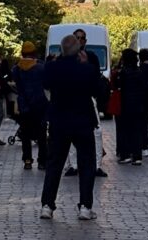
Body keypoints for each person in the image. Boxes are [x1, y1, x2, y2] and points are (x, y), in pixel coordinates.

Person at [39, 33, 102, 221]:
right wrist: (85, 67)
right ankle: (85, 206)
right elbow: (97, 91)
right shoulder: (88, 70)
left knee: (54, 164)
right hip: (83, 121)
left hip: (59, 122)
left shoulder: (52, 68)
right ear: (79, 50)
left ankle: (47, 205)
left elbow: (46, 84)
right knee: (87, 164)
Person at [65, 28, 107, 178]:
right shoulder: (67, 57)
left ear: (85, 41)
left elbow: (95, 78)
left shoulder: (91, 57)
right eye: (77, 38)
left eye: (82, 38)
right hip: (70, 99)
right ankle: (73, 165)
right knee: (71, 132)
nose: (79, 40)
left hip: (88, 98)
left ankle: (96, 165)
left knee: (96, 131)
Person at [10, 41, 48, 170]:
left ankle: (27, 160)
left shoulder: (16, 69)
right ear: (34, 53)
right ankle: (42, 161)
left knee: (25, 134)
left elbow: (15, 83)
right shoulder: (41, 67)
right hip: (40, 104)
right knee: (42, 134)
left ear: (22, 53)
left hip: (24, 105)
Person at [113, 48, 147, 164]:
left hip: (125, 105)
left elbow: (118, 87)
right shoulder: (140, 72)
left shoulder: (123, 73)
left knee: (124, 131)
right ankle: (137, 156)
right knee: (137, 131)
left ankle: (125, 154)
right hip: (138, 105)